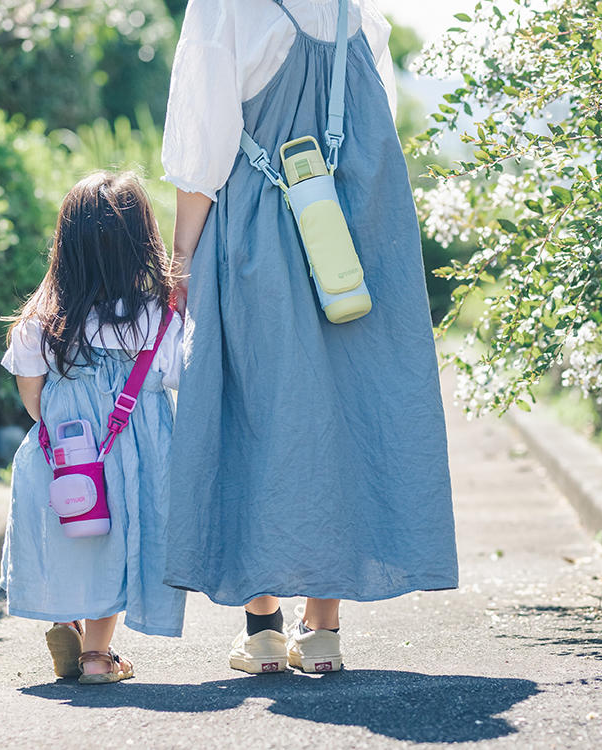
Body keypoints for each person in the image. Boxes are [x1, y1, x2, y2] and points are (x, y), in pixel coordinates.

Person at [161, 0, 458, 674]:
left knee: (258, 416)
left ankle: (262, 631)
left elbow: (202, 140)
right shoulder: (357, 11)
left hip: (260, 232)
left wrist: (182, 256)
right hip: (354, 239)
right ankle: (321, 632)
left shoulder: (225, 9)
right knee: (344, 415)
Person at [0, 171, 186, 684]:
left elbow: (34, 406)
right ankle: (98, 655)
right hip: (134, 457)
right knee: (117, 541)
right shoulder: (157, 319)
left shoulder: (40, 321)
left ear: (66, 245)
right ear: (141, 243)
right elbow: (178, 376)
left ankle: (66, 621)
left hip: (66, 457)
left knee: (72, 531)